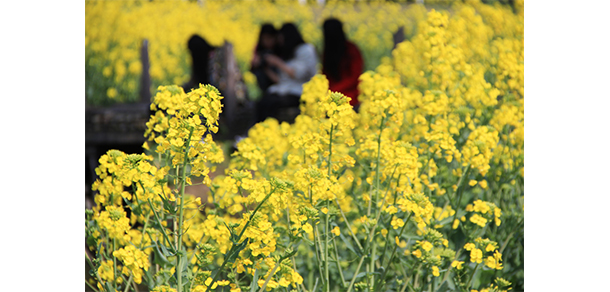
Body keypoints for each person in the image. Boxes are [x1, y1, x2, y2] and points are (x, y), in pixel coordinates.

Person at [256, 23, 318, 123]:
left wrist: (277, 62)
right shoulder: (289, 52)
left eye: (281, 38)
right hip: (286, 90)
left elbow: (297, 74)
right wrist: (265, 67)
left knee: (272, 103)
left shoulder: (306, 50)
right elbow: (280, 80)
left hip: (301, 91)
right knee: (262, 102)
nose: (280, 42)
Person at [321, 18, 364, 108]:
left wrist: (334, 90)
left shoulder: (351, 49)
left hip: (351, 95)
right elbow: (326, 75)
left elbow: (355, 77)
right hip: (331, 95)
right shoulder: (328, 51)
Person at [250, 23, 280, 94]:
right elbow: (252, 68)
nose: (266, 41)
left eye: (269, 38)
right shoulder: (260, 50)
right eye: (264, 38)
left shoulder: (280, 49)